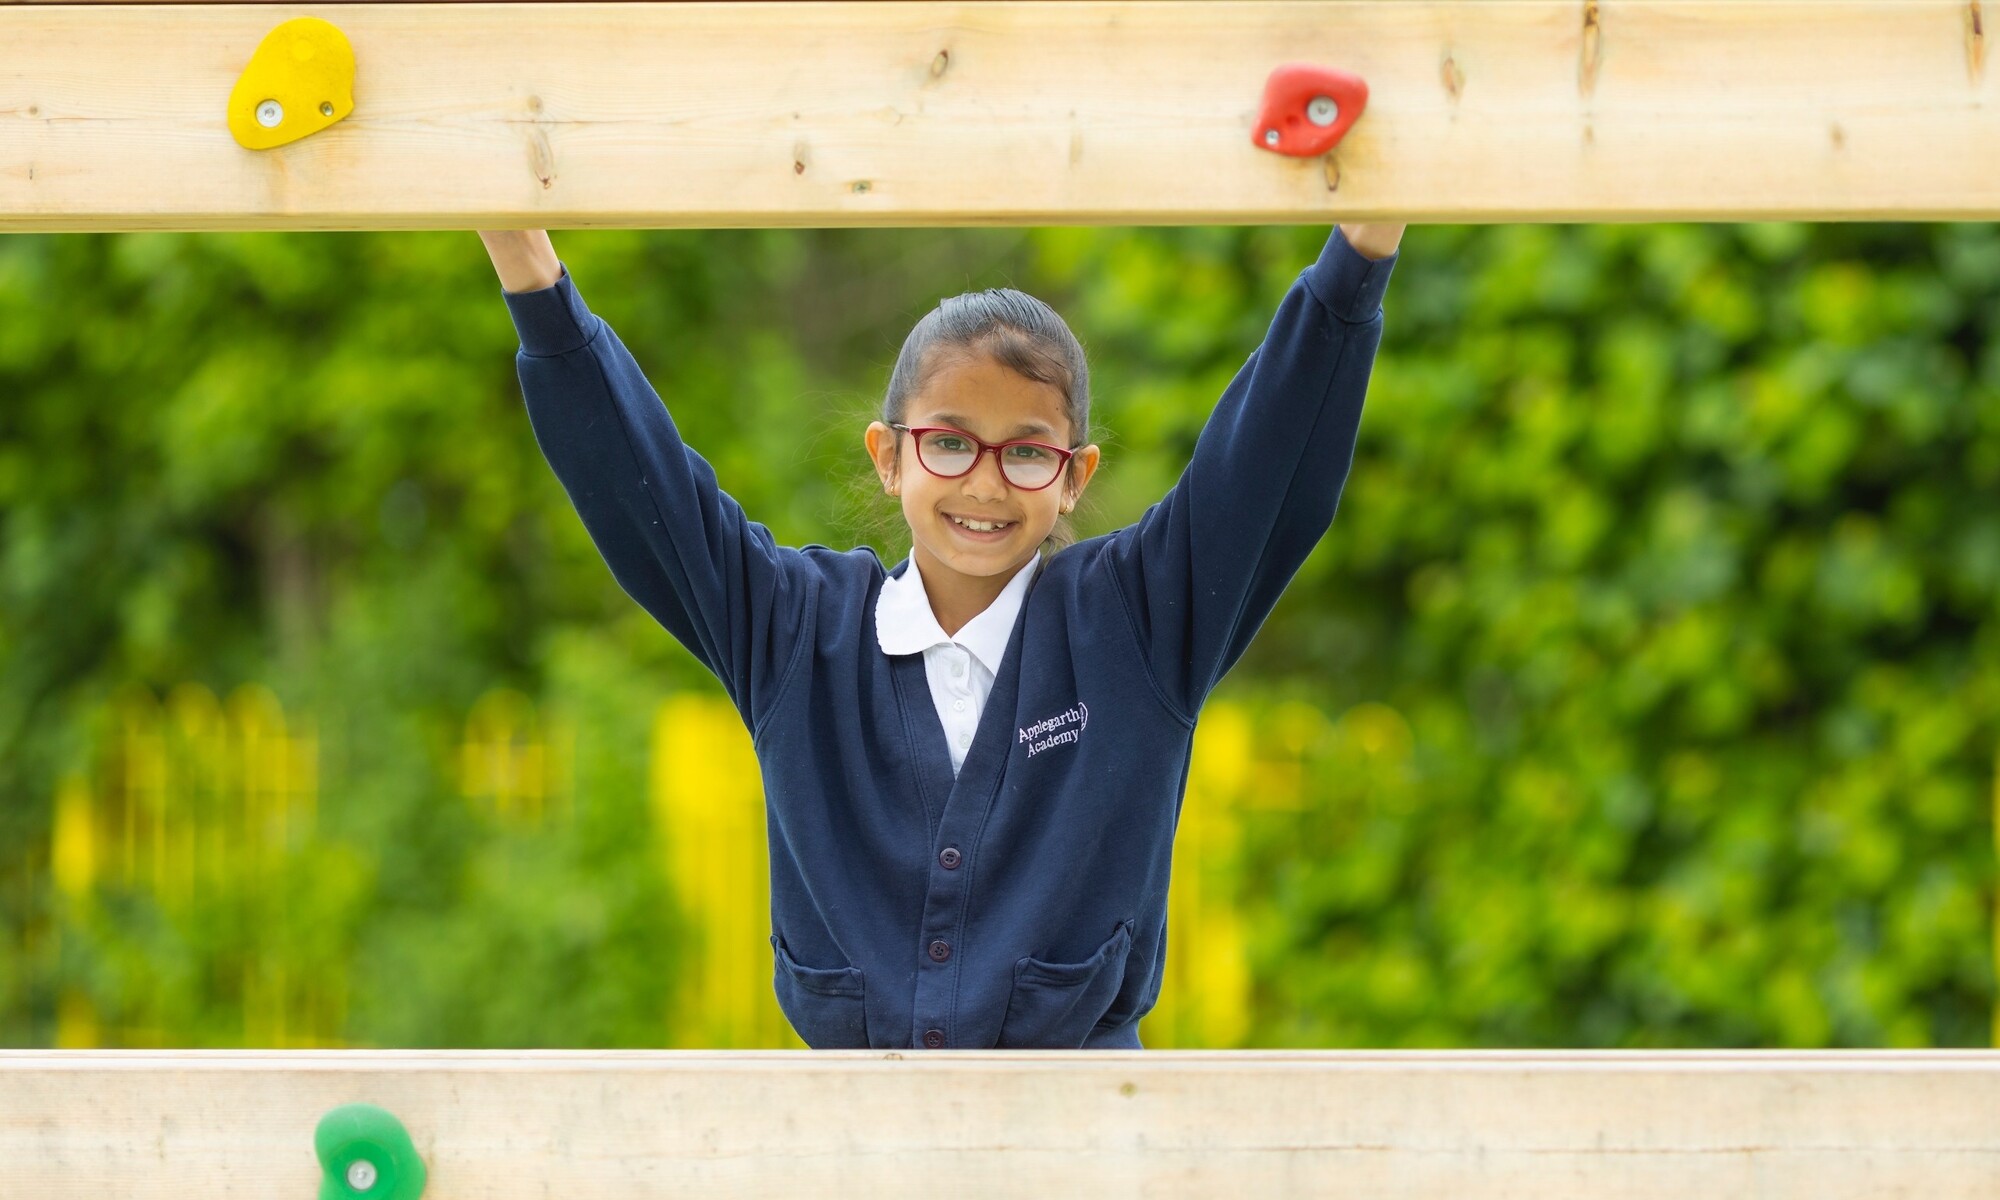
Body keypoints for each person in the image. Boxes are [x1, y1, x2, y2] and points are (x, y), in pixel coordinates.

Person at [477, 220, 1404, 1048]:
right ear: (890, 455)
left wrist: (1360, 249)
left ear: (1075, 475)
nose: (986, 485)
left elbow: (1266, 464)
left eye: (1028, 452)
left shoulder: (1134, 624)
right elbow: (644, 489)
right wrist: (524, 256)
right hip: (854, 1153)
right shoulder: (798, 631)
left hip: (1082, 1151)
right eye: (949, 442)